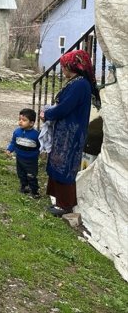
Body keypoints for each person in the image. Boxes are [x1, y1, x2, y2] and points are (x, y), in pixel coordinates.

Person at [40, 50, 100, 217]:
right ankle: (58, 198)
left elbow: (65, 107)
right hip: (65, 130)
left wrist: (48, 114)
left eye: (64, 67)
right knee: (58, 161)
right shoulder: (76, 82)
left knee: (65, 164)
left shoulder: (80, 84)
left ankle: (65, 204)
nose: (62, 71)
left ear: (72, 66)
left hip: (70, 132)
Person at [6, 108, 41, 197]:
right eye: (20, 119)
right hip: (20, 158)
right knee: (21, 173)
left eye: (24, 120)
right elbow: (13, 142)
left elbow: (40, 146)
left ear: (31, 123)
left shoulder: (36, 135)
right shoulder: (17, 132)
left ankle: (34, 191)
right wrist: (9, 149)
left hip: (31, 160)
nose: (20, 122)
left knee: (31, 175)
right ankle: (24, 186)